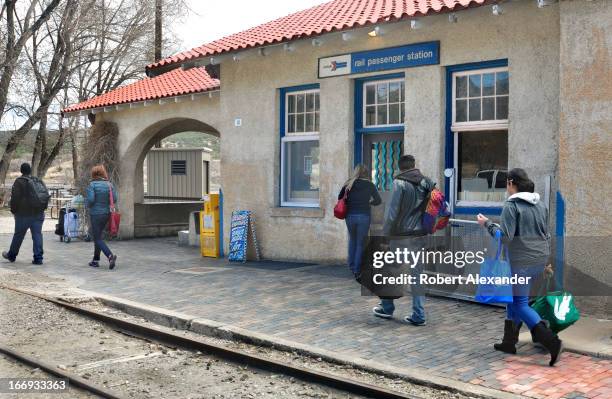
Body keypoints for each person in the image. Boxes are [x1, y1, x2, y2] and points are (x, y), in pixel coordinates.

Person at [477, 168, 562, 367]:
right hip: (538, 259)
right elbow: (546, 233)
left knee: (519, 304)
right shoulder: (539, 204)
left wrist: (487, 224)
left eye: (507, 184)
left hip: (521, 262)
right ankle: (509, 342)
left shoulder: (511, 205)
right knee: (513, 299)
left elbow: (505, 237)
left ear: (511, 183)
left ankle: (552, 342)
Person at [372, 155, 434, 326]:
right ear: (414, 166)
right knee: (417, 276)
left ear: (400, 168)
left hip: (401, 235)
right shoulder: (427, 182)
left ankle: (387, 307)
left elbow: (392, 213)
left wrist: (385, 235)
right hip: (420, 234)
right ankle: (419, 315)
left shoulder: (398, 183)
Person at [338, 164, 381, 279]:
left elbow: (340, 198)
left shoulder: (348, 184)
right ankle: (357, 270)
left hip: (350, 216)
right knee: (360, 243)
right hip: (363, 216)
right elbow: (378, 200)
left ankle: (351, 266)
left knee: (353, 240)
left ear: (355, 172)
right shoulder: (369, 185)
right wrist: (369, 203)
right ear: (366, 173)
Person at [2, 163, 48, 265]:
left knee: (18, 235)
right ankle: (38, 258)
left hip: (23, 215)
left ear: (21, 171)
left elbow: (15, 199)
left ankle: (11, 255)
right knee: (37, 235)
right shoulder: (36, 180)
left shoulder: (19, 182)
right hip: (38, 213)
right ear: (30, 170)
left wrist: (14, 211)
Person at [86, 165, 118, 269]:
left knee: (97, 238)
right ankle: (95, 260)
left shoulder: (92, 185)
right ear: (103, 173)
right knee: (98, 236)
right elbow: (115, 199)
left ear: (93, 174)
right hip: (106, 214)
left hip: (96, 214)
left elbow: (90, 200)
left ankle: (110, 256)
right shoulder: (109, 185)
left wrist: (88, 205)